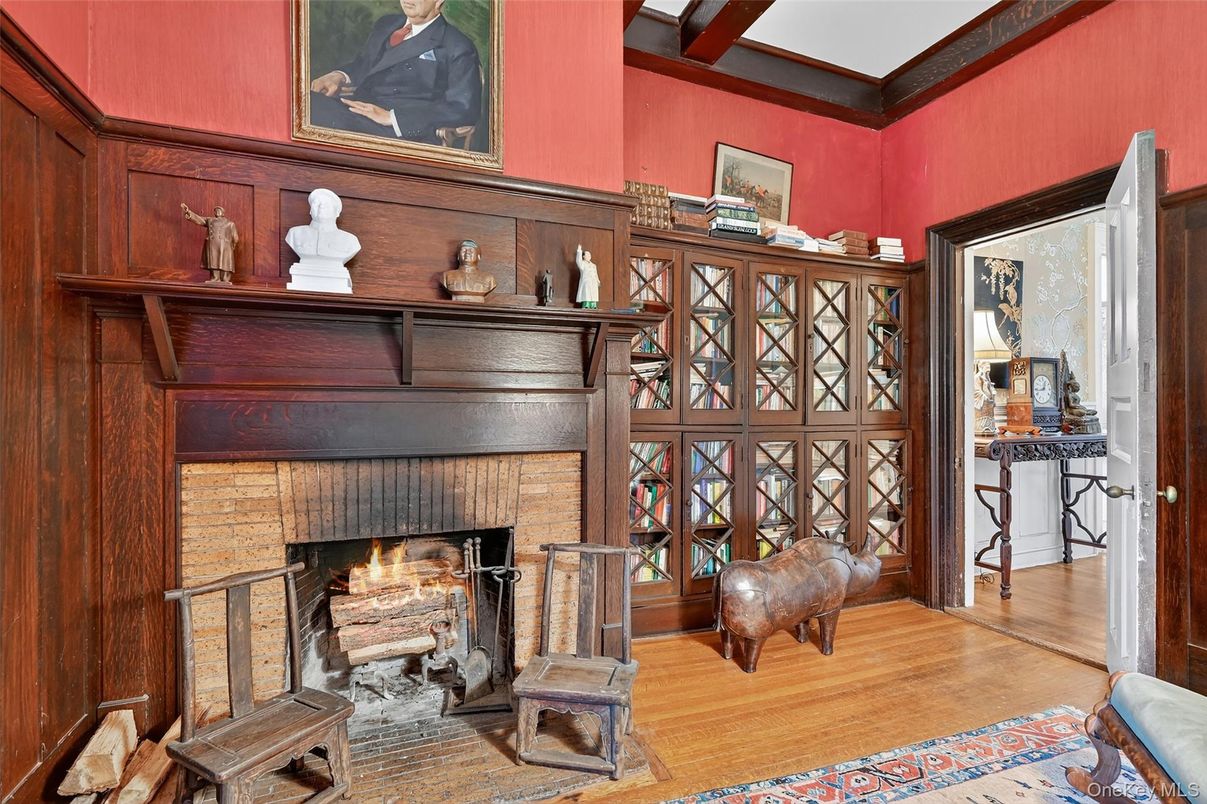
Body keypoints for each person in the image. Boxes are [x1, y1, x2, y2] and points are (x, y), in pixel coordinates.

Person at [309, 0, 482, 146]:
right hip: (357, 110)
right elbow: (364, 65)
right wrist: (338, 75)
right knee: (305, 102)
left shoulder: (458, 46)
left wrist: (393, 118)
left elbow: (463, 108)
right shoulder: (386, 24)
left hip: (400, 133)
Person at [181, 203, 238, 284]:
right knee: (213, 260)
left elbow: (235, 237)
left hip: (225, 246)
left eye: (219, 210)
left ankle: (225, 278)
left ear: (223, 213)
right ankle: (215, 277)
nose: (217, 212)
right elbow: (199, 219)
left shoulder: (230, 223)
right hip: (212, 244)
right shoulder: (210, 220)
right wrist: (188, 212)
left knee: (225, 261)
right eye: (216, 210)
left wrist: (232, 246)